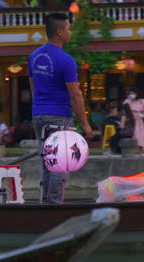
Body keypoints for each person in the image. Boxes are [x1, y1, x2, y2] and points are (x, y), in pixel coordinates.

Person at [29, 13, 93, 204]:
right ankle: (54, 205)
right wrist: (86, 124)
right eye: (68, 28)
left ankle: (46, 204)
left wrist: (40, 109)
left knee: (47, 161)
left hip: (39, 115)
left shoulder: (34, 56)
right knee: (61, 163)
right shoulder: (66, 60)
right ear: (60, 32)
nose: (70, 32)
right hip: (59, 117)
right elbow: (75, 95)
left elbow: (33, 89)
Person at [123, 87, 144, 156]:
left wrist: (142, 114)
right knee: (135, 134)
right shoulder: (128, 101)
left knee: (141, 134)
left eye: (133, 93)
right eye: (130, 93)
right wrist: (129, 100)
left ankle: (141, 150)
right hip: (132, 120)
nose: (132, 95)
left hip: (140, 120)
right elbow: (126, 109)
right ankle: (134, 149)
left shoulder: (141, 101)